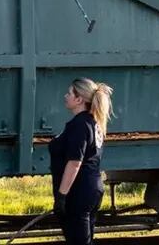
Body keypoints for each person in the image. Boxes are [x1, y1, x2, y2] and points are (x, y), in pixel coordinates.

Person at [49, 77, 114, 244]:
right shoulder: (92, 123)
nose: (65, 96)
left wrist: (62, 195)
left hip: (78, 191)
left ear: (79, 99)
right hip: (91, 188)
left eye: (69, 93)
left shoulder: (79, 124)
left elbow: (74, 162)